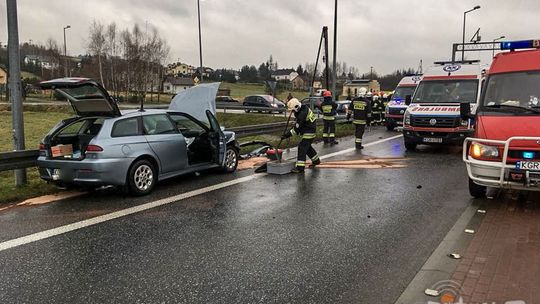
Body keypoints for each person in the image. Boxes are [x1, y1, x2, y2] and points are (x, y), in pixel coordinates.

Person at [282, 98, 321, 173]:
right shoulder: (304, 108)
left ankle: (300, 168)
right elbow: (298, 125)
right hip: (311, 129)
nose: (292, 112)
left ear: (296, 107)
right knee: (307, 147)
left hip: (309, 131)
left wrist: (286, 135)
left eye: (293, 110)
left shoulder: (301, 115)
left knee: (302, 147)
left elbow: (296, 130)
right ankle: (316, 161)